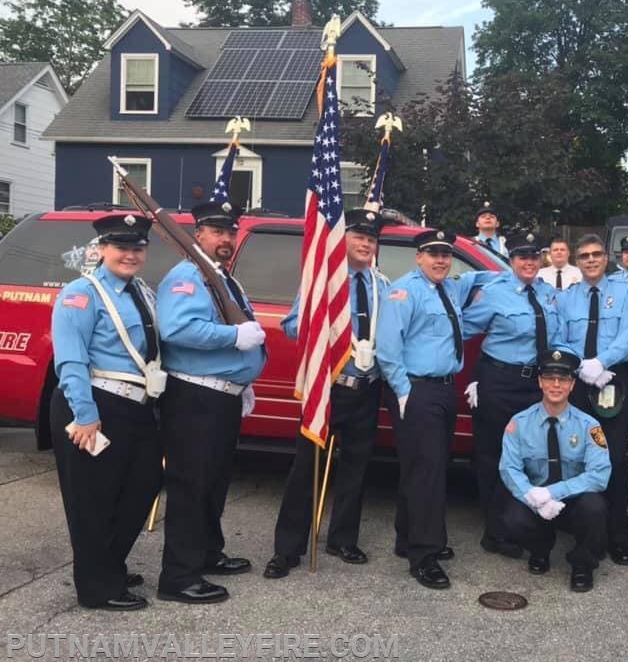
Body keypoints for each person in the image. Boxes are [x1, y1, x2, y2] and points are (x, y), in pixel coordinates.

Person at [264, 210, 389, 579]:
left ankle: (342, 539)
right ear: (341, 240)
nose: (366, 244)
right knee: (306, 470)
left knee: (356, 467)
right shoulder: (323, 282)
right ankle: (287, 550)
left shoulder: (381, 284)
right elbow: (290, 325)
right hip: (329, 388)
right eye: (358, 237)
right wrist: (317, 325)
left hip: (368, 388)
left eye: (371, 239)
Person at [155, 200, 267, 604]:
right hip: (195, 397)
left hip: (221, 395)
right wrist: (233, 340)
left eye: (230, 232)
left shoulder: (220, 277)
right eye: (217, 231)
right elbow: (177, 329)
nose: (226, 239)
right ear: (196, 233)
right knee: (191, 485)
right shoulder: (187, 276)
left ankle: (206, 553)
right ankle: (179, 577)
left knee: (214, 483)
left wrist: (243, 379)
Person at [50, 213, 163, 611]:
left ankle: (108, 564)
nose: (130, 255)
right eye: (121, 248)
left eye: (137, 248)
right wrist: (84, 414)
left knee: (143, 484)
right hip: (95, 403)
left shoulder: (141, 291)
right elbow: (70, 359)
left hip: (136, 405)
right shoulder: (81, 293)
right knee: (93, 499)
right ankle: (98, 588)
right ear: (101, 250)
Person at [376, 228, 478, 590]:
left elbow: (484, 275)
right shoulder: (404, 291)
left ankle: (408, 538)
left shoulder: (449, 287)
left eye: (446, 255)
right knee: (428, 474)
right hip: (418, 390)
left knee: (423, 468)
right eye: (432, 253)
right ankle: (425, 556)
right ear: (418, 256)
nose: (440, 260)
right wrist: (404, 393)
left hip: (444, 390)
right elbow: (387, 348)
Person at [462, 230, 562, 559]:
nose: (529, 262)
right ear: (512, 260)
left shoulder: (549, 293)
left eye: (534, 256)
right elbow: (462, 328)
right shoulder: (493, 293)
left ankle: (523, 526)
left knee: (530, 458)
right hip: (499, 382)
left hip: (535, 385)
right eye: (522, 257)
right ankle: (495, 532)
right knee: (493, 457)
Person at [556, 234, 628, 566]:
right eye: (584, 256)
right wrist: (583, 365)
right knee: (578, 456)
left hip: (613, 381)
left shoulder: (624, 293)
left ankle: (618, 537)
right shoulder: (567, 299)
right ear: (576, 262)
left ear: (606, 258)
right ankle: (586, 533)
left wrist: (602, 362)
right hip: (578, 381)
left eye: (596, 254)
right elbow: (559, 338)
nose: (590, 260)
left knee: (616, 461)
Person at [499, 349, 612, 592]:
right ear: (540, 382)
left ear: (572, 385)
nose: (556, 385)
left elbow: (600, 475)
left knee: (595, 508)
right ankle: (540, 550)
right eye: (550, 378)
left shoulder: (589, 426)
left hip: (573, 500)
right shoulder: (519, 422)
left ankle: (583, 565)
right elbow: (509, 468)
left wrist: (553, 493)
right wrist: (533, 497)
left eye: (563, 379)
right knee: (512, 517)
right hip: (536, 500)